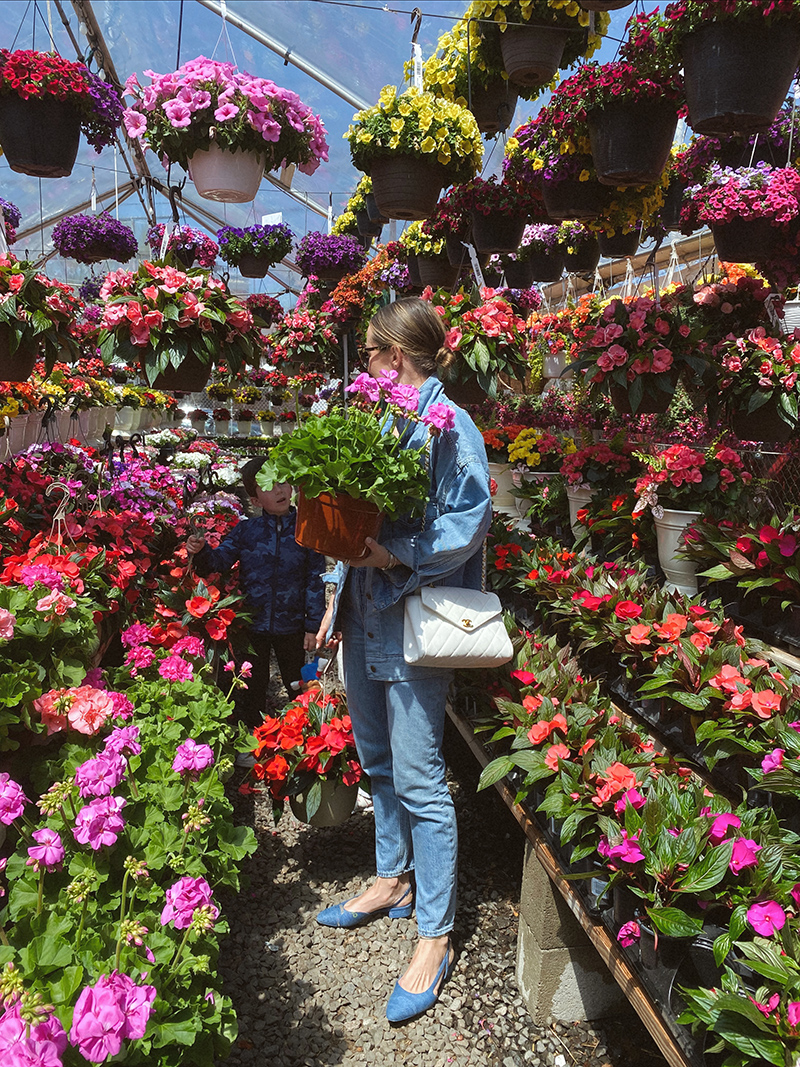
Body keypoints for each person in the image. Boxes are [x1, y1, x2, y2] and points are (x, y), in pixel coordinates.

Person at [314, 298, 492, 1024]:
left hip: (413, 617)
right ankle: (392, 878)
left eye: (371, 352)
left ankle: (436, 934)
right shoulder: (382, 420)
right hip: (363, 612)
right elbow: (352, 513)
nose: (366, 363)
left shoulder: (449, 424)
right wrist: (334, 593)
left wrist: (400, 554)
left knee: (421, 777)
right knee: (379, 759)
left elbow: (470, 517)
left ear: (396, 356)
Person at [186, 458, 326, 742]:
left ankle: (303, 735)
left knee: (298, 680)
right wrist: (200, 551)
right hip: (253, 624)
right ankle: (252, 736)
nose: (280, 490)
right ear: (254, 499)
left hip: (293, 624)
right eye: (269, 485)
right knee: (252, 683)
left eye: (284, 481)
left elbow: (316, 578)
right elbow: (219, 561)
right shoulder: (246, 531)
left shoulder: (306, 528)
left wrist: (313, 625)